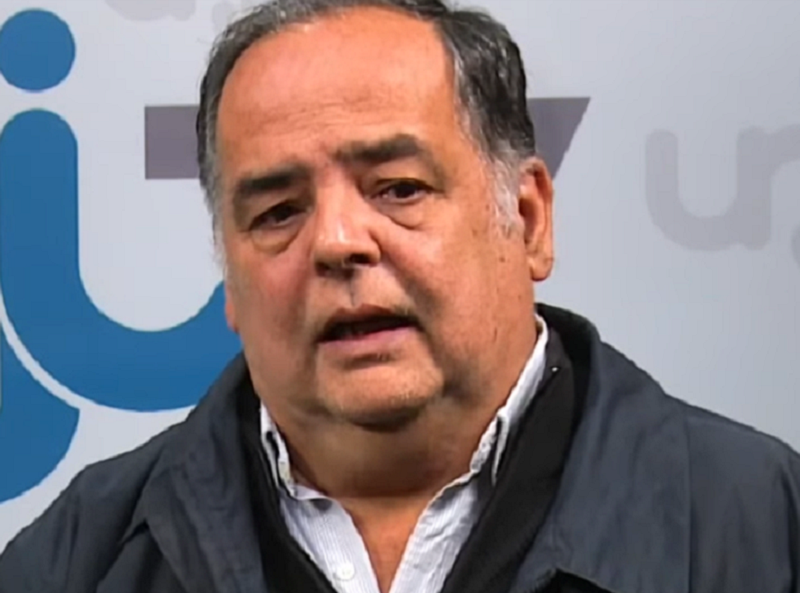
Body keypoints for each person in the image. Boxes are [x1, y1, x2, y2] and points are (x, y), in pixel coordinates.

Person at [1, 0, 799, 591]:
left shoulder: (762, 525)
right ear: (228, 281)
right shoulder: (78, 559)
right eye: (278, 212)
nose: (338, 241)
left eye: (398, 188)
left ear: (527, 220)